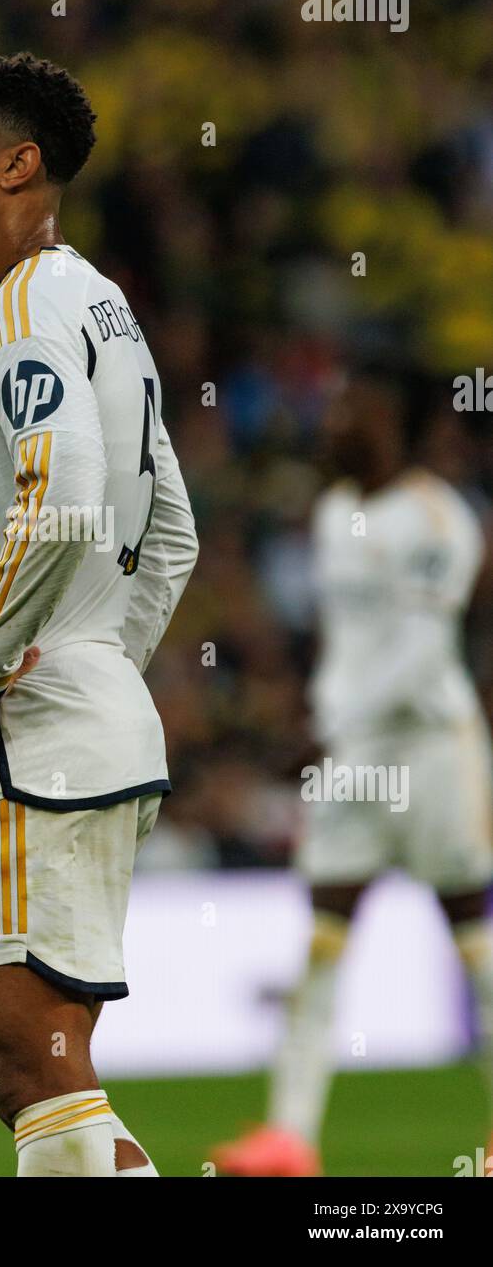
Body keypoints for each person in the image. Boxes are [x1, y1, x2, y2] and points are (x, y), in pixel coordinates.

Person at [0, 52, 198, 1176]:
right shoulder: (103, 304)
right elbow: (168, 530)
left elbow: (65, 495)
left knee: (30, 1075)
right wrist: (96, 663)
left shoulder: (18, 309)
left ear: (18, 164)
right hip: (92, 729)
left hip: (32, 744)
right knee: (49, 1084)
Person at [212, 363, 493, 1176]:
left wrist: (327, 727)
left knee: (473, 936)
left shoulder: (440, 521)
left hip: (431, 748)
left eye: (352, 412)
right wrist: (324, 719)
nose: (333, 424)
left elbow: (417, 653)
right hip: (351, 758)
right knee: (324, 939)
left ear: (397, 425)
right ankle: (289, 1137)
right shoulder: (335, 513)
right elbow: (353, 647)